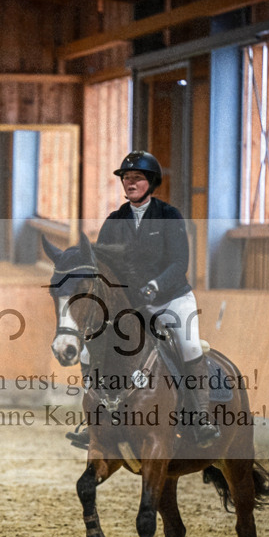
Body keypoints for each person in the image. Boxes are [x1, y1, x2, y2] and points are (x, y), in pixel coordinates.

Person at [72, 150, 220, 449]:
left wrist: (155, 285)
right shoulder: (114, 221)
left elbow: (180, 262)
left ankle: (201, 416)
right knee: (90, 350)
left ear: (151, 182)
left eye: (136, 178)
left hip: (170, 300)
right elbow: (100, 263)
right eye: (126, 178)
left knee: (189, 344)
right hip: (130, 306)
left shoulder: (169, 216)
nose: (129, 183)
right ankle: (92, 421)